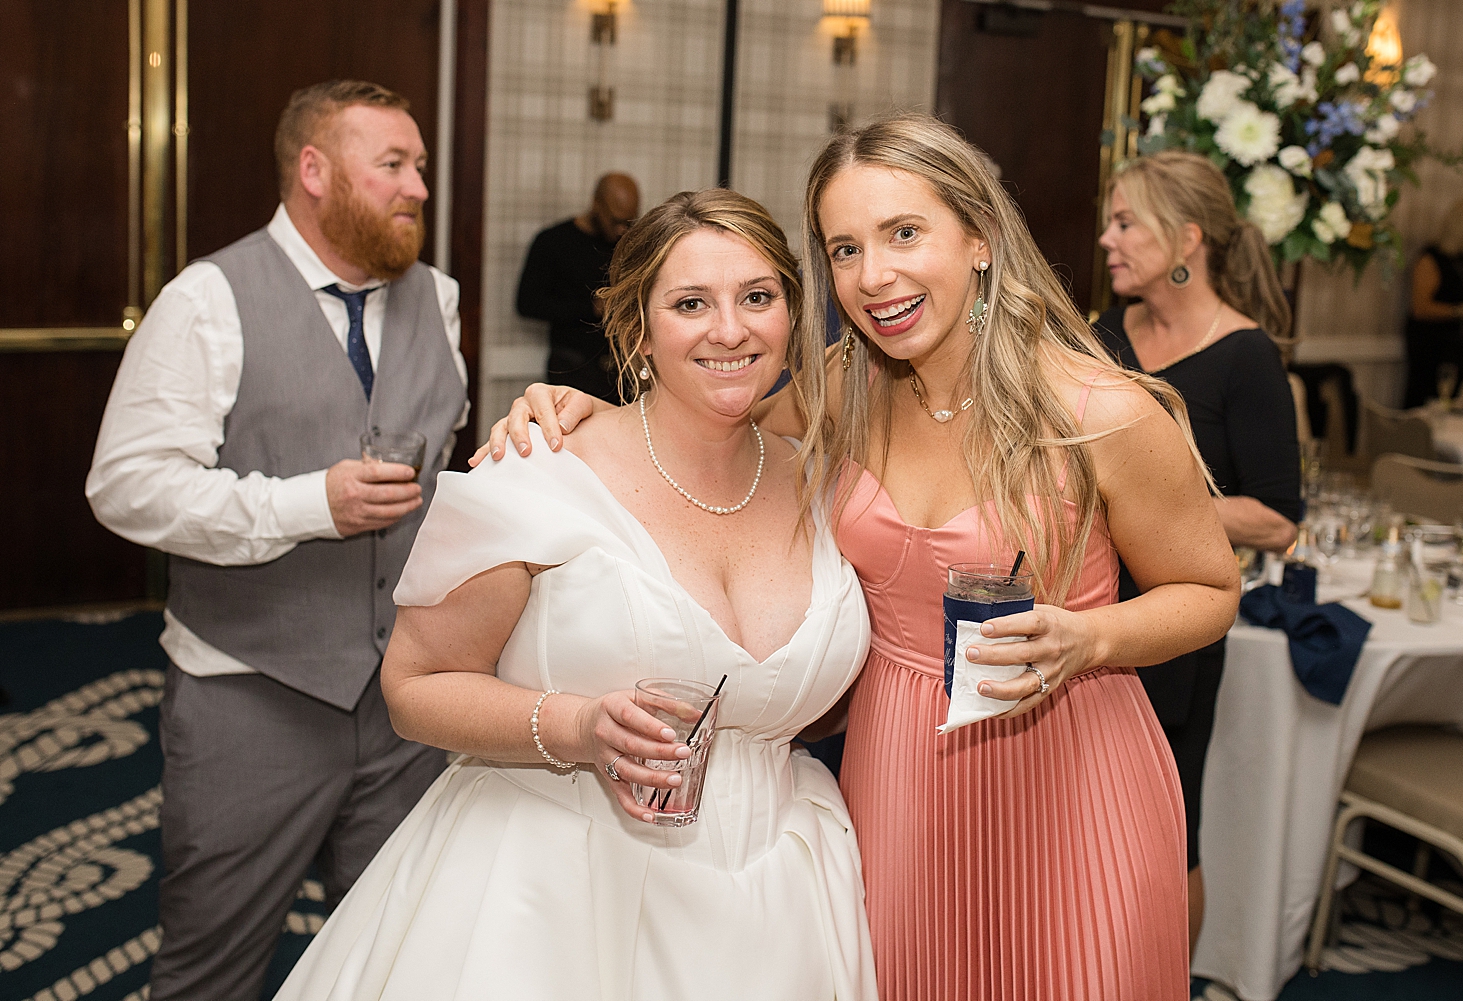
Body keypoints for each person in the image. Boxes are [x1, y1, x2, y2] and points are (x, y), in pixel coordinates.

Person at [485, 114, 1242, 1000]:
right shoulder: (842, 387)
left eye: (904, 234)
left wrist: (1091, 638)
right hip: (896, 773)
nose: (873, 276)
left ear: (982, 239)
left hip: (1072, 769)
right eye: (844, 249)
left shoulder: (1096, 408)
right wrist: (578, 411)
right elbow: (699, 436)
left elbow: (1210, 587)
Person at [273, 189, 878, 1000]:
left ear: (793, 318)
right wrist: (580, 724)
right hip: (556, 887)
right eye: (691, 303)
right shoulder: (537, 468)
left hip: (783, 896)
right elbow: (412, 687)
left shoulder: (823, 482)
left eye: (758, 297)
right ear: (637, 332)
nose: (730, 329)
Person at [85, 80, 469, 1001]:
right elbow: (126, 487)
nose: (419, 186)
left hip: (404, 701)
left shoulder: (439, 300)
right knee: (211, 967)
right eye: (393, 166)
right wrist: (308, 505)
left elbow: (445, 465)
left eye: (419, 166)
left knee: (390, 953)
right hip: (249, 696)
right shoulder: (207, 300)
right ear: (314, 171)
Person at [1094, 149, 1302, 952]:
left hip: (1178, 622)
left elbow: (1279, 517)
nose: (1108, 240)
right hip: (1094, 608)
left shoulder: (1247, 358)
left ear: (1186, 241)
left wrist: (1165, 508)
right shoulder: (1108, 335)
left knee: (1168, 831)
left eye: (1126, 224)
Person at [516, 172, 641, 404]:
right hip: (572, 366)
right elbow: (527, 303)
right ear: (596, 204)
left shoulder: (629, 243)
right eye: (615, 221)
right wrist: (590, 308)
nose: (622, 230)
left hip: (622, 372)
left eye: (629, 222)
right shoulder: (553, 242)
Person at [1402, 198, 1463, 407]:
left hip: (1458, 342)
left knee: (1457, 399)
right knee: (1427, 397)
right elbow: (1420, 308)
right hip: (1431, 343)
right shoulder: (1430, 259)